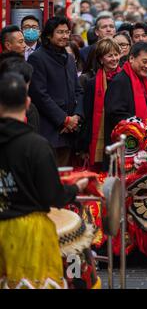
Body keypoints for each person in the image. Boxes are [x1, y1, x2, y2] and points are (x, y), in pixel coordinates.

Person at [0, 72, 88, 289]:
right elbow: (52, 197)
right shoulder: (36, 146)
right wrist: (75, 188)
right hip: (29, 232)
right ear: (28, 102)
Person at [28, 16, 84, 167]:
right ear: (48, 35)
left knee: (66, 177)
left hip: (70, 131)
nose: (65, 36)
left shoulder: (70, 58)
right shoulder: (37, 58)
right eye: (60, 32)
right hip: (49, 130)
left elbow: (79, 90)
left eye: (67, 32)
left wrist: (76, 117)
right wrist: (64, 120)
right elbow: (40, 95)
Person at [104, 42, 147, 146]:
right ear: (131, 58)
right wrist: (139, 124)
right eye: (145, 61)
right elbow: (115, 113)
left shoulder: (145, 80)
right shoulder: (119, 81)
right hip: (126, 142)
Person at [81, 38, 121, 169]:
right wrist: (85, 146)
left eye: (116, 54)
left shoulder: (125, 78)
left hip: (121, 133)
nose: (114, 59)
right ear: (101, 59)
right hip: (102, 136)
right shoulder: (92, 84)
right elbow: (88, 114)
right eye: (110, 55)